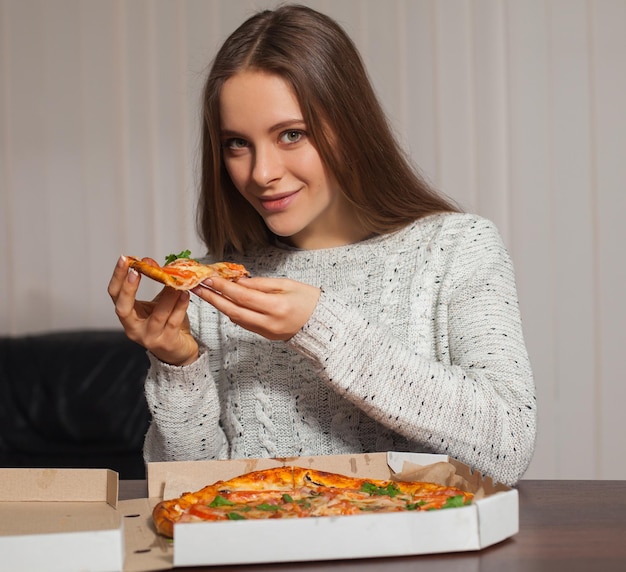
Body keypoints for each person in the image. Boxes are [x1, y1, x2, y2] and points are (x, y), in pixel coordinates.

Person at [108, 4, 536, 486]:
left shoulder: (457, 248)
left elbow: (509, 445)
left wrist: (320, 326)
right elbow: (191, 492)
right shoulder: (214, 287)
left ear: (350, 127)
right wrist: (178, 365)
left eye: (291, 135)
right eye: (236, 144)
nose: (261, 173)